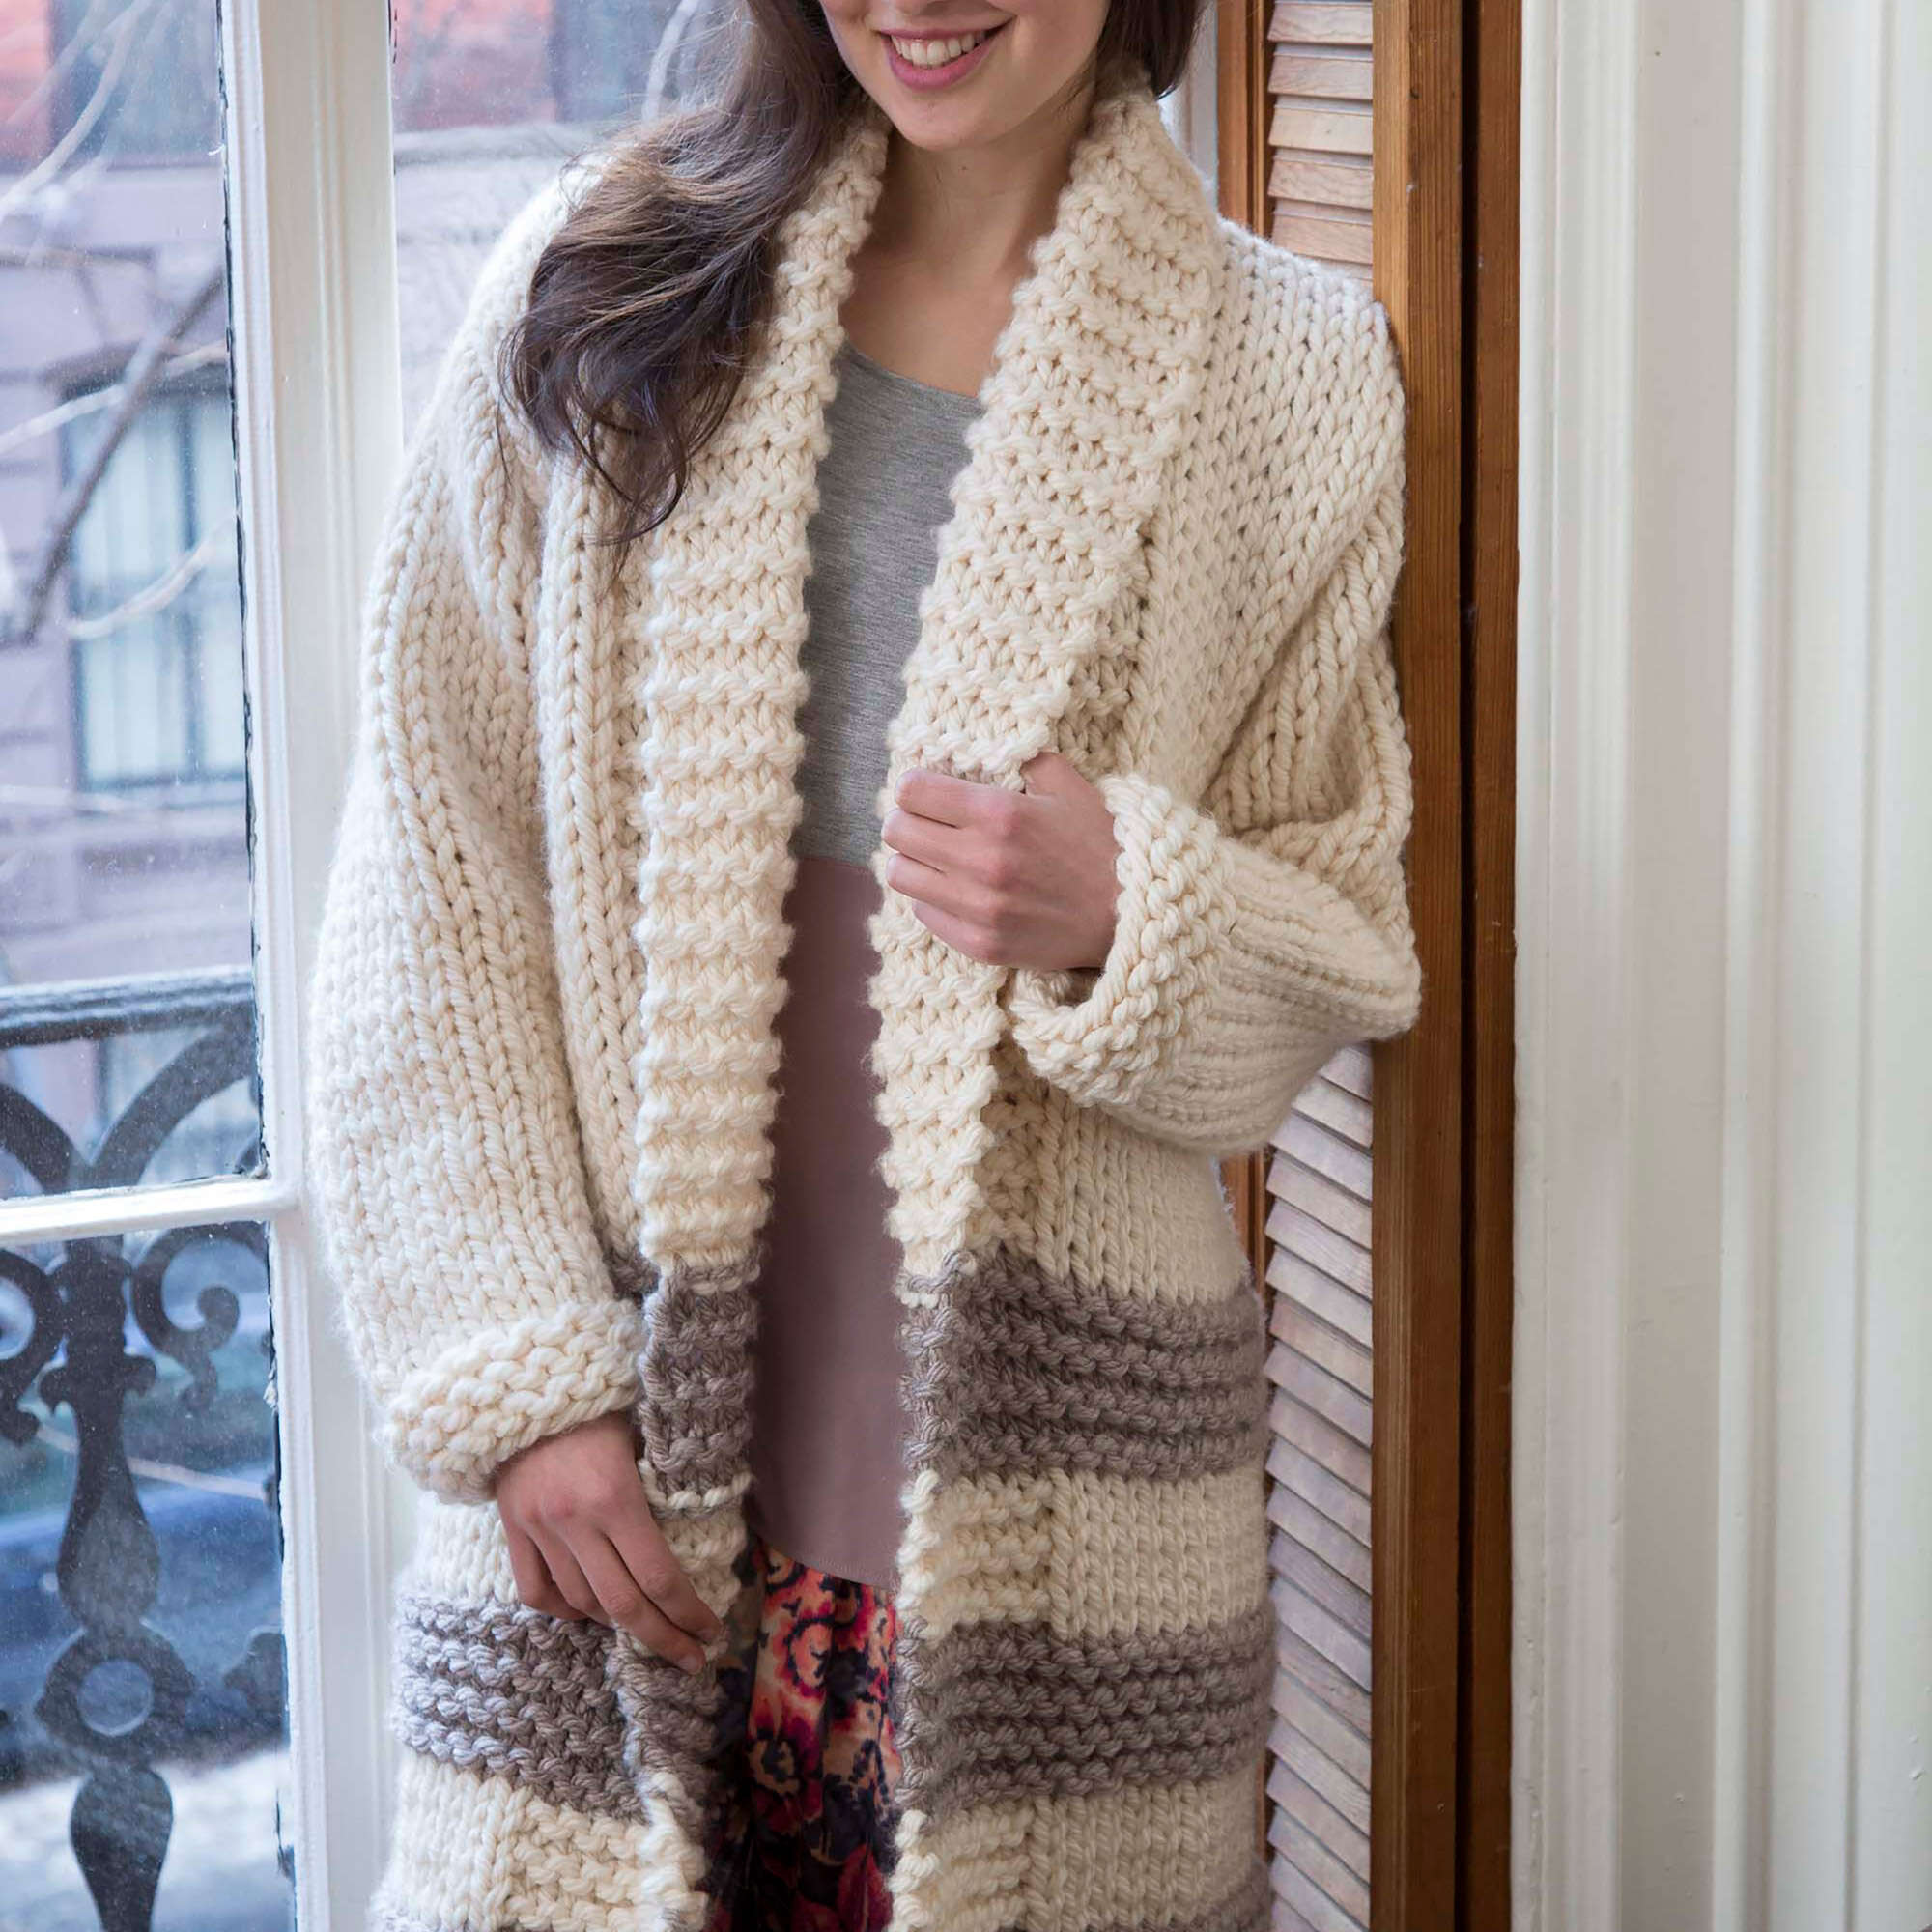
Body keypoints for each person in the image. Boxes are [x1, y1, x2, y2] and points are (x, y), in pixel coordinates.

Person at [303, 4, 1424, 1929]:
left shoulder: (1294, 377)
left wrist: (1126, 907)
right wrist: (516, 1388)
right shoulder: (608, 290)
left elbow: (1339, 935)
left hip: (1063, 1548)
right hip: (619, 1502)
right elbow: (430, 872)